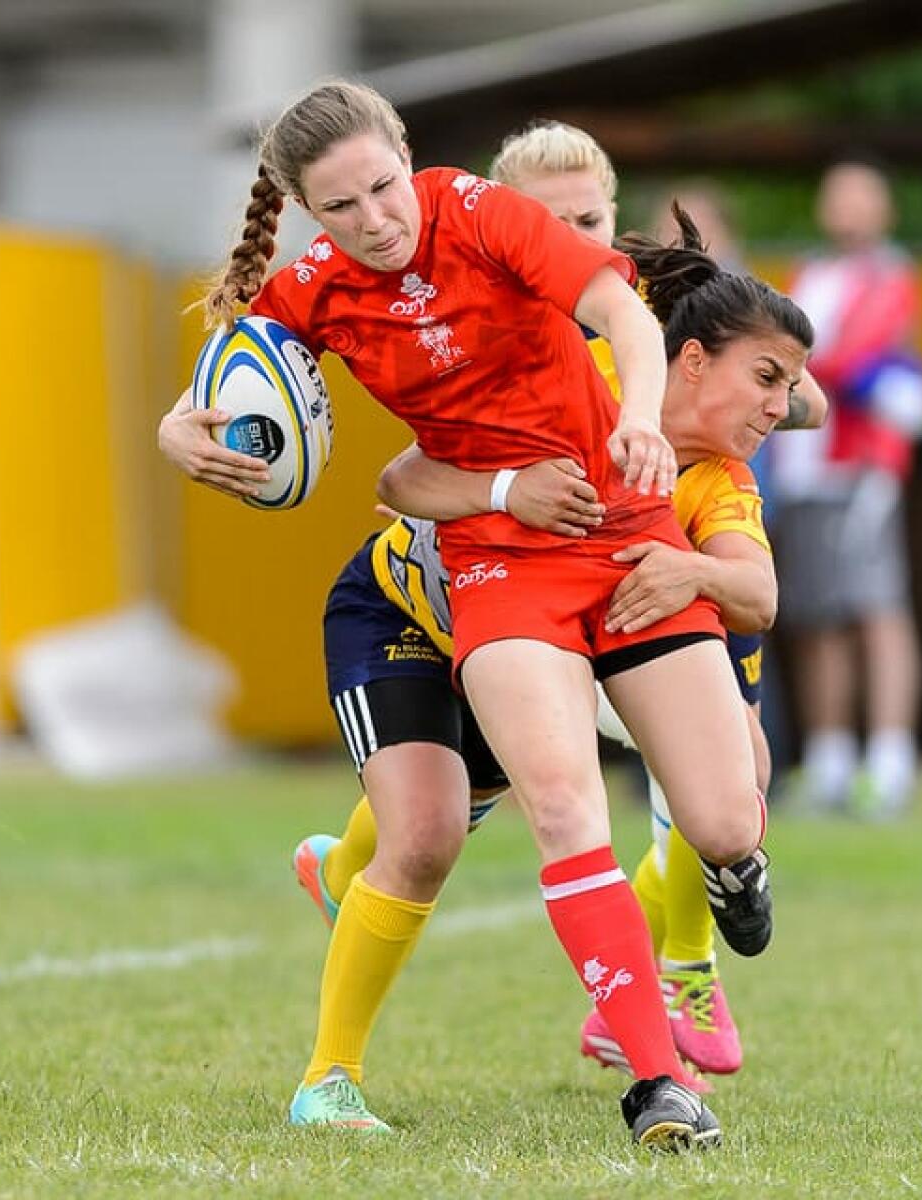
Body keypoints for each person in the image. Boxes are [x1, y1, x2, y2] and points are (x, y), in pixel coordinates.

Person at [160, 80, 783, 1150]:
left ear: (410, 160)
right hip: (498, 568)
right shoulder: (315, 288)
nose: (377, 220)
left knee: (727, 815)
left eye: (384, 188)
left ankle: (723, 876)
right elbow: (234, 384)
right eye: (342, 207)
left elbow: (624, 315)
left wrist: (637, 420)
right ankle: (657, 1084)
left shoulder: (486, 215)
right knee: (557, 808)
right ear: (312, 214)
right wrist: (178, 430)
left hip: (625, 530)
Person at [293, 123, 824, 1094]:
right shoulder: (482, 317)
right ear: (501, 224)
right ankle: (338, 1032)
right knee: (434, 827)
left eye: (591, 218)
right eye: (553, 220)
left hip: (617, 571)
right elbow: (402, 476)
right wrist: (494, 488)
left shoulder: (631, 311)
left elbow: (794, 391)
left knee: (731, 777)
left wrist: (762, 393)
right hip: (463, 592)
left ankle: (687, 971)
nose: (573, 234)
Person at [768, 159, 922, 818]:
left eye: (858, 197)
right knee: (814, 618)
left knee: (876, 609)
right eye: (836, 196)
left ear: (882, 210)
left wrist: (791, 365)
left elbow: (853, 357)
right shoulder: (810, 275)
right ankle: (832, 760)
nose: (844, 208)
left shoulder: (890, 276)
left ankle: (888, 763)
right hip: (805, 467)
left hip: (862, 468)